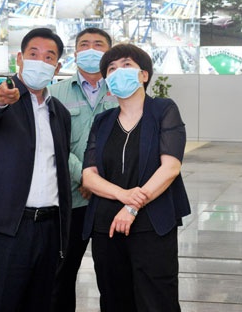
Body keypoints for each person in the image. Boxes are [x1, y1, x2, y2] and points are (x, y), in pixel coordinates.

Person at [0, 27, 72, 312]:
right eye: (33, 54)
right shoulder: (2, 95)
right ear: (20, 59)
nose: (41, 61)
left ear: (57, 67)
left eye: (49, 57)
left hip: (49, 227)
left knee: (40, 303)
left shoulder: (59, 113)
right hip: (7, 226)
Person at [81, 43, 191, 312]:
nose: (118, 71)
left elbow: (170, 167)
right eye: (111, 68)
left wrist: (132, 206)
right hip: (106, 225)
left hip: (151, 223)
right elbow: (89, 176)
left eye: (126, 65)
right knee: (114, 299)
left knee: (156, 299)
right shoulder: (103, 121)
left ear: (143, 75)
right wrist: (124, 195)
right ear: (107, 82)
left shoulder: (163, 110)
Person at [49, 28, 118, 312]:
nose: (91, 49)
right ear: (75, 53)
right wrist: (85, 177)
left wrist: (100, 183)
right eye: (84, 44)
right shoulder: (55, 93)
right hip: (71, 201)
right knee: (61, 276)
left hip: (112, 202)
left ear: (109, 52)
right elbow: (54, 144)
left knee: (114, 279)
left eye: (98, 45)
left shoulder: (122, 92)